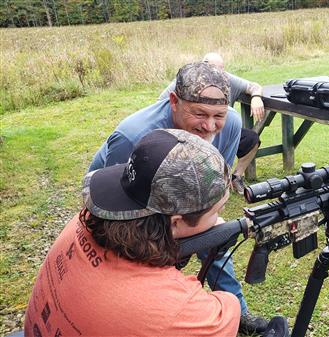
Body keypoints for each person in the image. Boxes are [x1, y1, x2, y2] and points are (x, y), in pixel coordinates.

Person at [24, 129, 288, 336]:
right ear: (175, 223)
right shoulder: (180, 310)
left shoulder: (81, 222)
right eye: (215, 212)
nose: (220, 219)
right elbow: (225, 308)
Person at [88, 62, 268, 334]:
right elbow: (117, 209)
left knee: (216, 238)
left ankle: (239, 312)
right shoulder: (133, 135)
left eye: (218, 115)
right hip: (130, 203)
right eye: (199, 113)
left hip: (183, 193)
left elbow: (214, 184)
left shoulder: (230, 124)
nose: (209, 126)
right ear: (174, 102)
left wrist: (204, 224)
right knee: (140, 258)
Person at [158, 52, 265, 194]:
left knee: (252, 139)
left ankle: (235, 177)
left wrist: (256, 97)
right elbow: (161, 105)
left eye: (221, 71)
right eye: (213, 70)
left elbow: (253, 86)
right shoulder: (186, 82)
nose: (216, 76)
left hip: (221, 130)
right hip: (193, 133)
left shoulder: (226, 79)